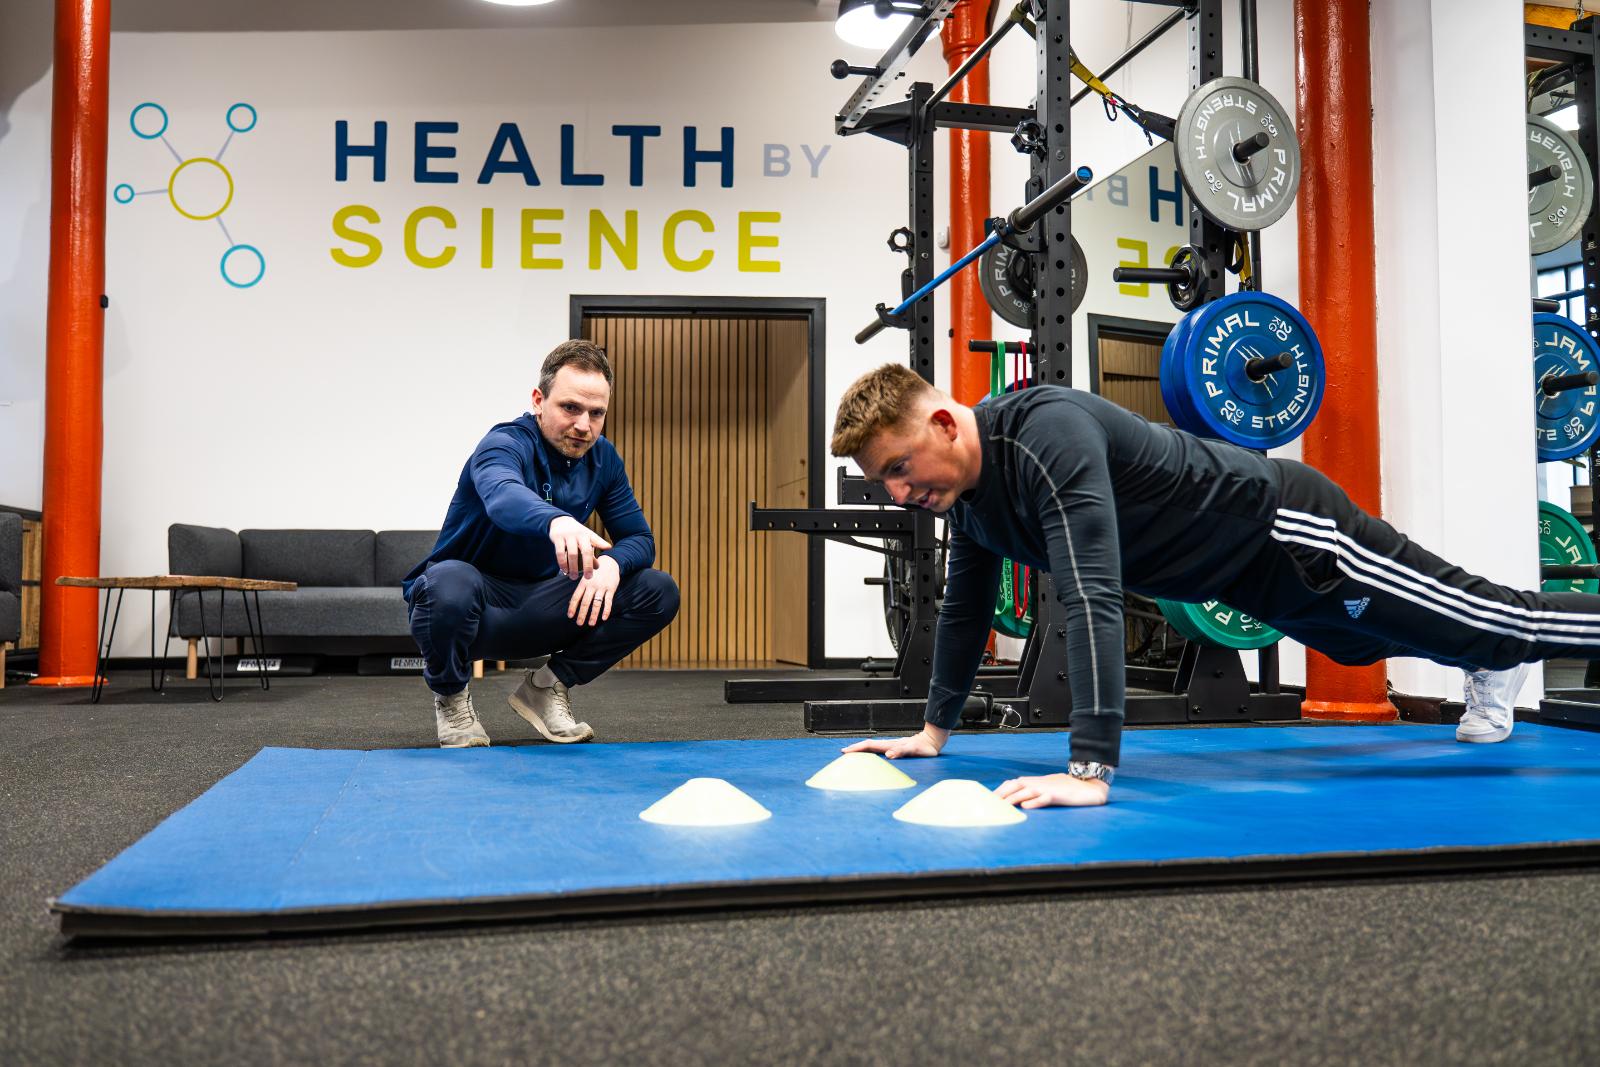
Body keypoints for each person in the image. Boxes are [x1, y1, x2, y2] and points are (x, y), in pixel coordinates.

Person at [830, 363, 1594, 808]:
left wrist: (1089, 767)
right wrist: (934, 732)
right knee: (1363, 639)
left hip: (1288, 524)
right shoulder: (968, 503)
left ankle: (1497, 648)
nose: (897, 492)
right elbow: (963, 610)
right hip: (1241, 575)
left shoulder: (1041, 437)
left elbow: (1091, 592)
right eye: (883, 480)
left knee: (1490, 615)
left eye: (899, 467)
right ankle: (1485, 656)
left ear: (942, 423)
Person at [404, 340, 679, 748]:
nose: (584, 425)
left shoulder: (604, 459)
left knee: (657, 589)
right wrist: (556, 521)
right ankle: (450, 697)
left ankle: (548, 686)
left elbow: (639, 538)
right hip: (475, 609)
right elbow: (502, 494)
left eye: (596, 413)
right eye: (570, 408)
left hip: (546, 606)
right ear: (539, 400)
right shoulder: (504, 443)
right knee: (447, 581)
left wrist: (613, 565)